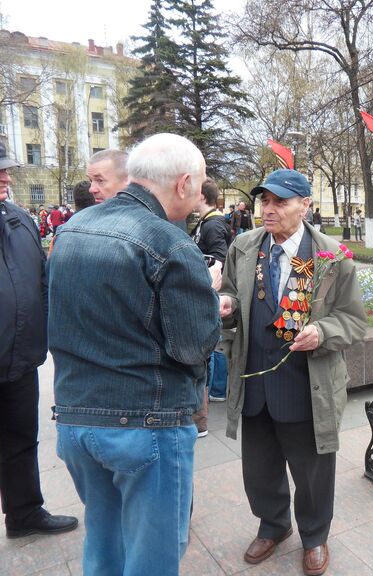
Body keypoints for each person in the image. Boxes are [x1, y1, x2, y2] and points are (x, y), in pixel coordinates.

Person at [48, 133, 221, 575]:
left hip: (76, 421)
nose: (201, 194)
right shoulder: (170, 243)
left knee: (104, 547)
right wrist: (210, 297)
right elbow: (194, 347)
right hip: (146, 426)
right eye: (200, 184)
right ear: (183, 183)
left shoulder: (70, 231)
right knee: (152, 559)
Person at [219, 168, 366, 576]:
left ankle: (315, 535)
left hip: (306, 385)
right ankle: (273, 525)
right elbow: (231, 290)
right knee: (260, 466)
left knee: (313, 471)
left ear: (305, 205)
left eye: (279, 202)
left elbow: (353, 321)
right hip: (254, 381)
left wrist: (323, 330)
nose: (268, 210)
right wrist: (227, 305)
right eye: (264, 201)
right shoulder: (246, 246)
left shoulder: (331, 257)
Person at [0, 140, 79, 539]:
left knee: (20, 440)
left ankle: (24, 513)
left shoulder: (19, 219)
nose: (6, 176)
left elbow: (42, 283)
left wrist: (42, 337)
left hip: (20, 357)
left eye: (6, 169)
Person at [190, 178, 232, 430]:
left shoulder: (213, 225)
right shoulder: (209, 223)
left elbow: (220, 258)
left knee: (213, 345)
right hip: (208, 292)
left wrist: (207, 279)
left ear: (201, 196)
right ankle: (214, 392)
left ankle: (215, 391)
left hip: (211, 293)